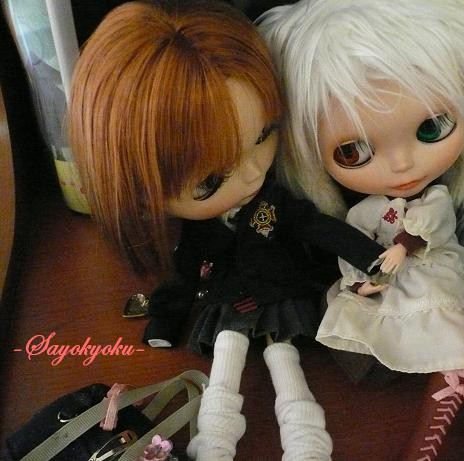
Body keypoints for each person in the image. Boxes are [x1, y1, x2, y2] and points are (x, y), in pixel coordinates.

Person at [68, 1, 398, 459]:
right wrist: (166, 319)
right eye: (209, 180)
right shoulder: (196, 234)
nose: (252, 173)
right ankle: (214, 444)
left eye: (264, 135)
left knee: (287, 364)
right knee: (224, 366)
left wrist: (370, 256)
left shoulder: (274, 202)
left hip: (280, 293)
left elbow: (320, 228)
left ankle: (306, 442)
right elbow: (183, 274)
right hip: (227, 300)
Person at [259, 1, 464, 459]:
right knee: (458, 349)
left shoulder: (434, 201)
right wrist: (363, 281)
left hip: (441, 276)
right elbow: (353, 249)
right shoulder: (363, 213)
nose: (401, 166)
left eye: (432, 128)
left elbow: (429, 228)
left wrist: (403, 247)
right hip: (396, 289)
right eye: (353, 152)